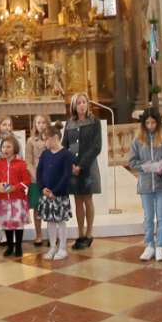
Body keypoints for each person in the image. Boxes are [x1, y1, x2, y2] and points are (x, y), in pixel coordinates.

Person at [126, 109, 162, 262]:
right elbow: (132, 161)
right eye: (147, 123)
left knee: (161, 216)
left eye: (153, 122)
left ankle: (160, 246)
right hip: (146, 184)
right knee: (148, 217)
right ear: (143, 123)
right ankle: (149, 245)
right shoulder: (138, 139)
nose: (150, 125)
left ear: (158, 123)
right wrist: (146, 166)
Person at [62, 93, 102, 250]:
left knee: (87, 199)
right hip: (73, 167)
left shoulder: (94, 122)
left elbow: (96, 146)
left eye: (84, 102)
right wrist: (71, 164)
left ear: (88, 104)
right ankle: (80, 234)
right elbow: (64, 145)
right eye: (78, 103)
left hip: (88, 166)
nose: (81, 105)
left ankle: (89, 233)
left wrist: (81, 165)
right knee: (77, 200)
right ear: (74, 106)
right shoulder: (70, 123)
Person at [35, 126, 75, 260]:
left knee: (61, 221)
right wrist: (42, 188)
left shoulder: (67, 154)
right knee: (50, 222)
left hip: (60, 195)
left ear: (55, 138)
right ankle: (53, 246)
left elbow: (66, 176)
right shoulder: (45, 154)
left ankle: (62, 248)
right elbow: (39, 172)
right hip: (46, 194)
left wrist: (55, 192)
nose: (45, 143)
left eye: (46, 140)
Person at [0, 135, 31, 257]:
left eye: (8, 146)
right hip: (3, 201)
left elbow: (26, 181)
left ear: (15, 148)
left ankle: (18, 247)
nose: (5, 149)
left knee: (18, 225)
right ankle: (10, 246)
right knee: (6, 224)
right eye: (3, 146)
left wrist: (15, 187)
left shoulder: (21, 164)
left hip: (18, 200)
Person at [24, 114, 50, 248]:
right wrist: (36, 176)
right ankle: (38, 234)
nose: (41, 125)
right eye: (38, 123)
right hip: (35, 179)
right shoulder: (30, 141)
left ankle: (52, 234)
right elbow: (28, 161)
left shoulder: (52, 139)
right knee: (38, 208)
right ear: (35, 125)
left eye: (43, 122)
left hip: (50, 178)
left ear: (47, 124)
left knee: (51, 206)